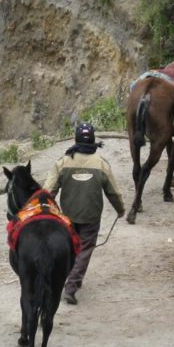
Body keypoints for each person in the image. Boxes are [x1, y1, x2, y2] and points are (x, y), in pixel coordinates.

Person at [43, 122, 126, 305]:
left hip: (68, 217)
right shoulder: (102, 165)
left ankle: (62, 280)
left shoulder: (63, 163)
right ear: (93, 140)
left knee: (70, 248)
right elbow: (113, 192)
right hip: (91, 217)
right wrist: (120, 210)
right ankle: (71, 286)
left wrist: (44, 211)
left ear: (76, 138)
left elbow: (48, 191)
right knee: (85, 250)